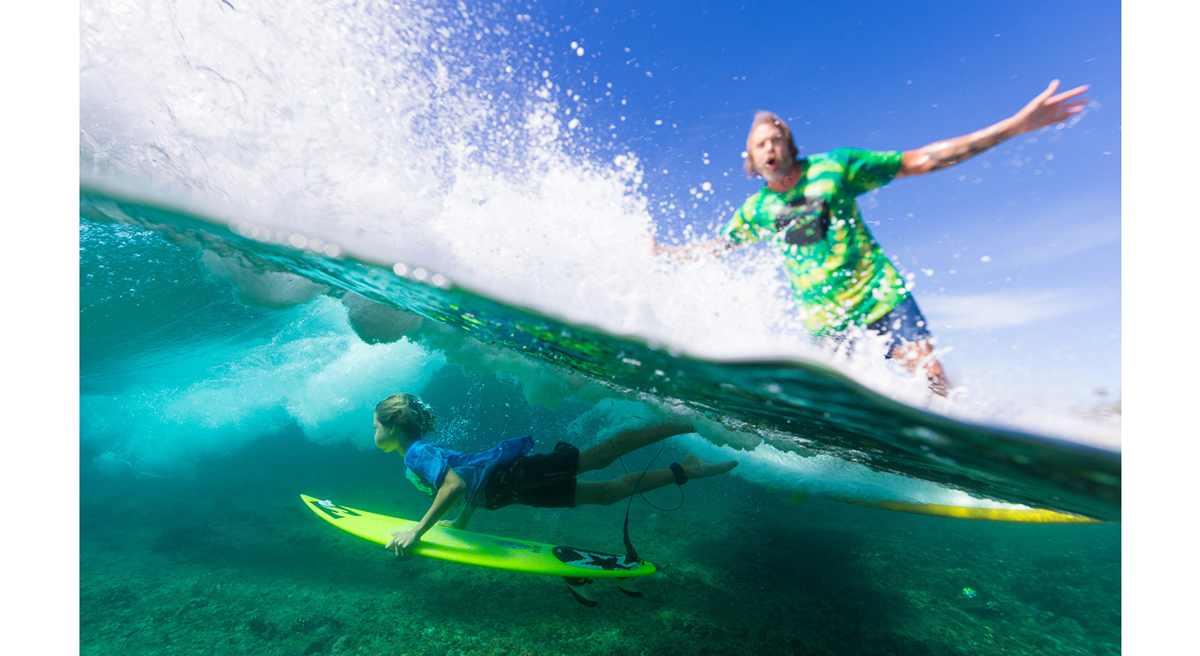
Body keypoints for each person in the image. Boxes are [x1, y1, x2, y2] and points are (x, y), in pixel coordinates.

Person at [652, 80, 1090, 397]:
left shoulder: (837, 167)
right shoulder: (755, 211)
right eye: (760, 144)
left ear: (790, 145)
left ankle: (964, 440)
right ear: (750, 161)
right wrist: (662, 253)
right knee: (831, 403)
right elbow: (717, 247)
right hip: (823, 318)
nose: (769, 148)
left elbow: (919, 160)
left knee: (930, 373)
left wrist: (1012, 126)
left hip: (880, 293)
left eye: (776, 138)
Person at [372, 393, 738, 558]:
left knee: (599, 457)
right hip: (513, 491)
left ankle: (684, 421)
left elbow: (455, 483)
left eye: (376, 425)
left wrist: (417, 532)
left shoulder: (417, 454)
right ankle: (685, 470)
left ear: (394, 425)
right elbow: (466, 480)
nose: (373, 432)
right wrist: (460, 521)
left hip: (517, 476)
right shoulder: (419, 455)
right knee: (608, 493)